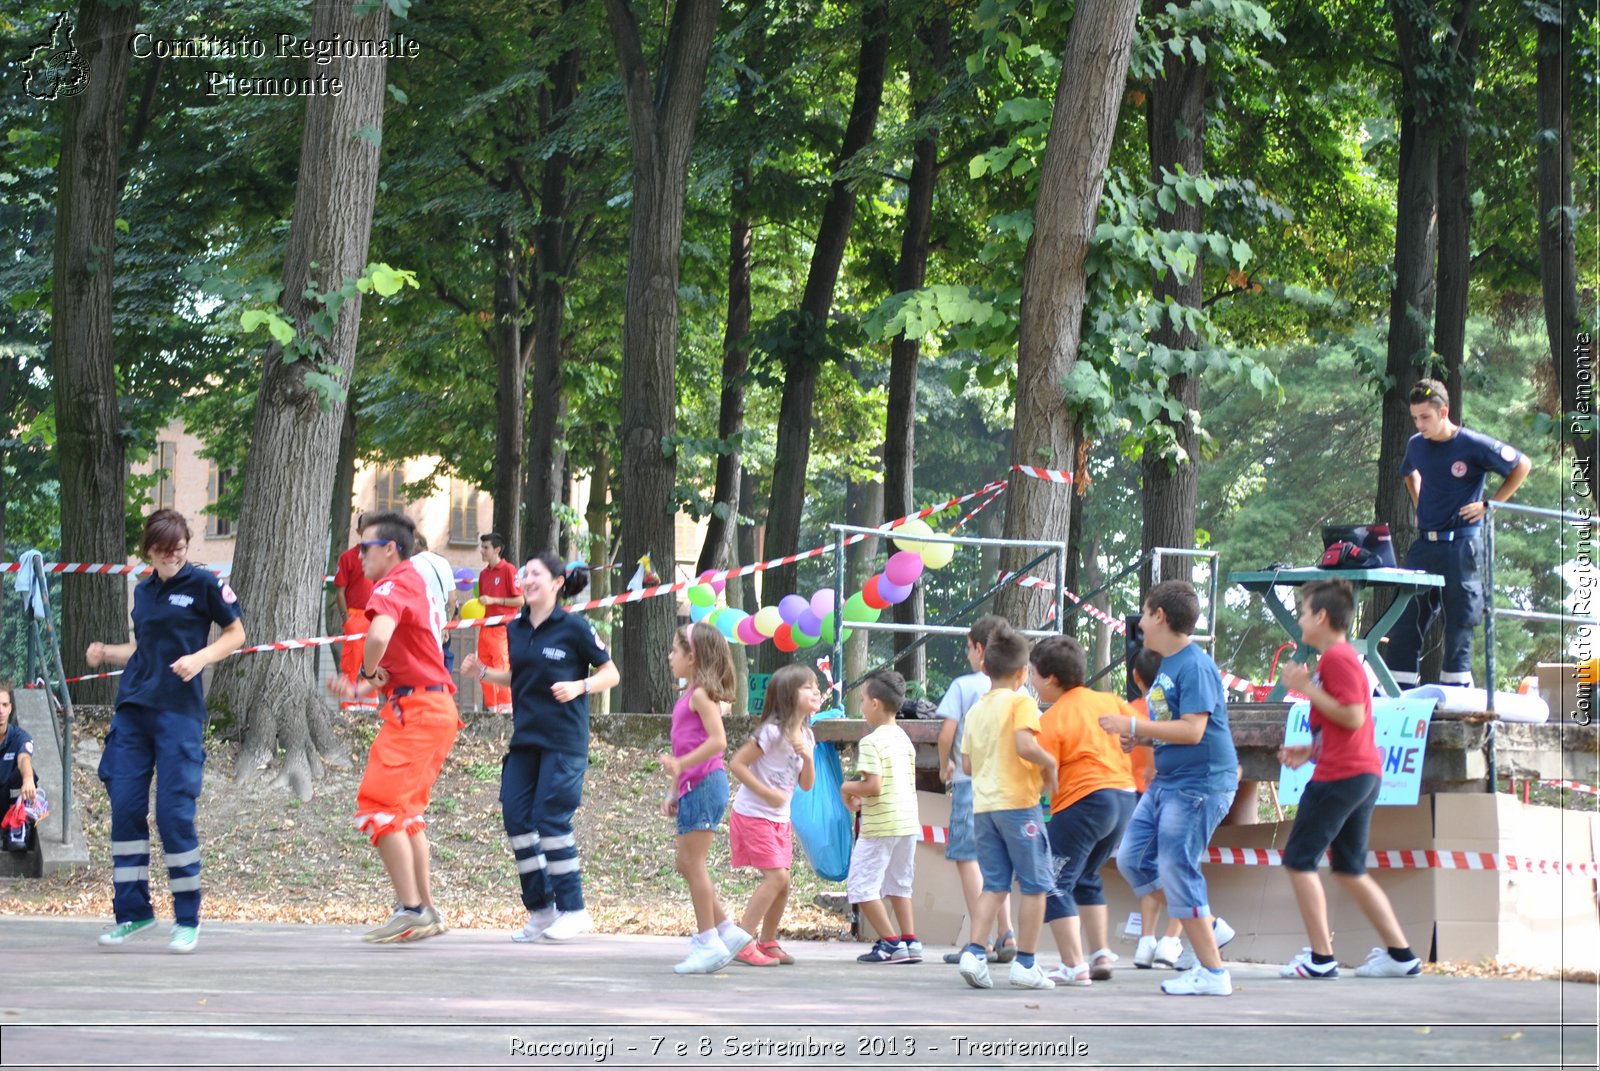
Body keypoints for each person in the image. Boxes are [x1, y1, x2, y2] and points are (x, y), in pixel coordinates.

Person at [87, 509, 246, 953]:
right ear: (149, 551)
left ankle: (188, 918)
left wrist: (200, 659)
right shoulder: (143, 590)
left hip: (179, 715)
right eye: (163, 550)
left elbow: (236, 634)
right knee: (125, 809)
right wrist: (105, 652)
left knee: (174, 815)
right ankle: (134, 913)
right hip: (134, 710)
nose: (172, 556)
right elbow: (141, 648)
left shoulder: (204, 583)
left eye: (178, 548)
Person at [464, 554, 618, 944]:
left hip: (564, 741)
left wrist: (579, 687)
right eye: (524, 573)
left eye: (536, 574)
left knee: (550, 819)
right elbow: (518, 674)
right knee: (517, 819)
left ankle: (574, 909)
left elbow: (610, 673)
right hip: (526, 740)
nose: (526, 578)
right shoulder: (515, 629)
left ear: (556, 583)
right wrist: (482, 672)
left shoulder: (574, 628)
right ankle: (542, 910)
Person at [324, 511, 461, 944]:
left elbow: (379, 636)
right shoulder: (412, 582)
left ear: (390, 549)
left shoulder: (392, 583)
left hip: (417, 712)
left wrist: (367, 669)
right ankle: (424, 908)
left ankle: (413, 909)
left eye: (364, 547)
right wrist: (367, 685)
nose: (357, 555)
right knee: (406, 814)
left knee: (377, 806)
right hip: (430, 706)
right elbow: (408, 656)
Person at [1098, 580, 1238, 996]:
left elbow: (1194, 731)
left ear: (1159, 616)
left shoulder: (1195, 665)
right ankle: (1210, 928)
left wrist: (1135, 726)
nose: (1139, 621)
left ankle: (1213, 974)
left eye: (1144, 612)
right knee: (1132, 859)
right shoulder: (1169, 664)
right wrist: (1142, 739)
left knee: (1177, 867)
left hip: (1199, 785)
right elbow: (1174, 725)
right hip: (1169, 780)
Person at [1278, 580, 1421, 979]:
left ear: (1321, 617)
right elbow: (1345, 723)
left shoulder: (1337, 659)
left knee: (1299, 860)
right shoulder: (1339, 659)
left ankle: (1321, 959)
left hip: (1341, 777)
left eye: (1304, 611)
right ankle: (1401, 955)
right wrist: (1309, 750)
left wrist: (1304, 687)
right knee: (1350, 869)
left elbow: (1354, 715)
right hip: (1358, 773)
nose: (1301, 619)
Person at [1384, 378, 1530, 687]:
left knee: (1460, 620)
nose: (1419, 424)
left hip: (1461, 545)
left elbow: (1522, 465)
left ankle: (1455, 694)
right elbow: (1409, 473)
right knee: (1406, 618)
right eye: (1414, 418)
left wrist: (1491, 505)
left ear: (1443, 412)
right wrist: (1419, 502)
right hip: (1424, 546)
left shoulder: (1472, 444)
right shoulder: (1416, 445)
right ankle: (1401, 693)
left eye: (1425, 417)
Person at [1030, 635, 1138, 986]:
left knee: (1052, 882)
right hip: (1123, 797)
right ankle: (1100, 953)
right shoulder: (1110, 700)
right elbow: (1135, 736)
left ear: (1049, 678)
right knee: (1087, 876)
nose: (1031, 680)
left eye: (1033, 673)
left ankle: (1072, 965)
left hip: (1083, 801)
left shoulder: (1054, 718)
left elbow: (1045, 773)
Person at [662, 622, 752, 973]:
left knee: (692, 864)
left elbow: (718, 742)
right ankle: (725, 931)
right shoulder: (692, 695)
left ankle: (708, 940)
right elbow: (684, 744)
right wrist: (674, 789)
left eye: (675, 650)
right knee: (685, 863)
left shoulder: (701, 696)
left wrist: (681, 766)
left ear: (692, 655)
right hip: (692, 786)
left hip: (705, 785)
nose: (670, 656)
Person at [934, 614, 1016, 966]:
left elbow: (946, 733)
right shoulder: (1017, 688)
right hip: (1007, 785)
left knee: (968, 860)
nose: (968, 655)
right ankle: (1006, 931)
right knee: (996, 861)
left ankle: (977, 941)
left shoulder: (965, 685)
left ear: (980, 649)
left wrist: (944, 764)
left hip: (971, 782)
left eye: (968, 648)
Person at [726, 663, 818, 966]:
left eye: (816, 685)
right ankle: (742, 940)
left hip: (780, 819)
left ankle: (767, 941)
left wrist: (806, 755)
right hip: (754, 814)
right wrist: (767, 793)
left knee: (784, 882)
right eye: (808, 687)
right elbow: (738, 763)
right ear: (789, 696)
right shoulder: (771, 733)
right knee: (776, 877)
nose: (816, 691)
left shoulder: (807, 735)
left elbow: (806, 784)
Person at [840, 669, 922, 965]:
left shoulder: (871, 742)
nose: (861, 705)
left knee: (861, 885)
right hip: (907, 823)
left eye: (862, 699)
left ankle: (890, 943)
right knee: (899, 883)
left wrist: (846, 787)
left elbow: (874, 786)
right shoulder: (903, 738)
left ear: (875, 703)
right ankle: (911, 940)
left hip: (880, 826)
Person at [1125, 647, 1192, 970]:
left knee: (1147, 870)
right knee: (1179, 866)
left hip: (1138, 797)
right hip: (1171, 794)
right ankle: (1170, 939)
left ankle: (1146, 941)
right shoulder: (1171, 714)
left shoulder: (1130, 712)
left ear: (1136, 677)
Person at [333, 512, 379, 711]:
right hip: (355, 615)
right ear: (359, 531)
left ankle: (369, 704)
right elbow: (340, 591)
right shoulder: (348, 557)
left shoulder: (382, 558)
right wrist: (346, 619)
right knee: (351, 662)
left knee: (373, 661)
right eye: (366, 527)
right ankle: (349, 704)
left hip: (375, 617)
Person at [476, 532, 521, 713]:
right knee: (483, 671)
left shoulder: (509, 570)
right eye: (482, 547)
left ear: (497, 550)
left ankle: (506, 713)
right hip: (485, 628)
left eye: (486, 548)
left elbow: (520, 601)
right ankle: (492, 711)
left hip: (502, 629)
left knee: (501, 670)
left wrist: (495, 601)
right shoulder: (483, 574)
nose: (482, 551)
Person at [410, 533, 458, 675]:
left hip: (419, 626)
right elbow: (452, 599)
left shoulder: (411, 563)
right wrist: (447, 625)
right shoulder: (443, 562)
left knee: (419, 670)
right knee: (439, 667)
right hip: (441, 625)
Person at [0, 683, 39, 851]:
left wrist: (28, 779)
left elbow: (24, 759)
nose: (0, 710)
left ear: (10, 708)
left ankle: (16, 829)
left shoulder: (20, 736)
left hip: (5, 793)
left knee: (29, 778)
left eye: (4, 705)